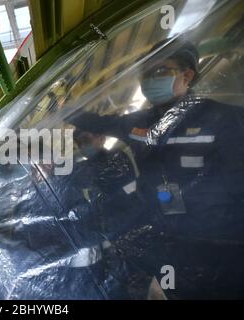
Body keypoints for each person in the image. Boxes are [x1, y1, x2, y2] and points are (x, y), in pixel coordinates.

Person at [70, 37, 244, 298]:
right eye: (147, 74)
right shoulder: (140, 123)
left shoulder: (224, 118)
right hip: (166, 241)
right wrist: (61, 109)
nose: (151, 79)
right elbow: (99, 122)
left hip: (220, 244)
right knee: (174, 292)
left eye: (161, 71)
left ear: (187, 75)